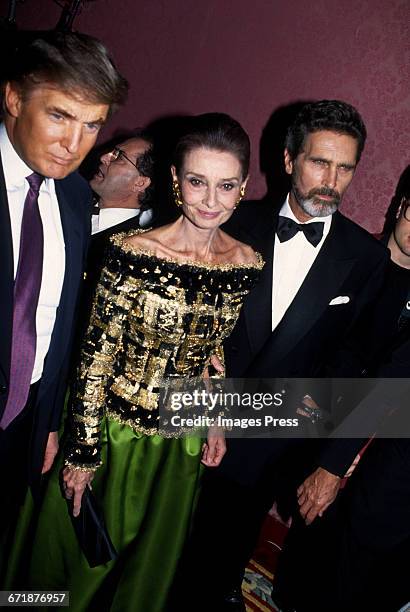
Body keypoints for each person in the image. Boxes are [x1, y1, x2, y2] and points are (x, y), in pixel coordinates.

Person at [6, 113, 264, 612]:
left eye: (226, 185)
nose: (211, 201)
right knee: (75, 568)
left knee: (146, 570)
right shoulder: (131, 252)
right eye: (197, 182)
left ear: (243, 187)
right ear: (174, 180)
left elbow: (213, 350)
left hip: (181, 442)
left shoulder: (245, 263)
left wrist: (217, 422)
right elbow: (95, 356)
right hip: (112, 434)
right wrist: (81, 452)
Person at [176, 100, 389, 611]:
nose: (331, 180)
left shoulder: (364, 257)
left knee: (217, 561)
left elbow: (353, 362)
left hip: (272, 438)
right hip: (189, 417)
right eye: (320, 162)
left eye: (345, 167)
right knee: (159, 543)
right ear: (290, 160)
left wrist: (327, 457)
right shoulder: (228, 221)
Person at [0, 31, 128, 544]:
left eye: (92, 125)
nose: (73, 145)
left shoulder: (76, 197)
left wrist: (48, 422)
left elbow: (57, 319)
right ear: (13, 97)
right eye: (59, 116)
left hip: (24, 423)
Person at [272, 167, 410, 612]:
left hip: (382, 430)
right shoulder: (357, 257)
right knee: (313, 522)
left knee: (355, 542)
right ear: (400, 206)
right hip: (325, 406)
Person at [85, 132, 155, 305]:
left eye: (119, 157)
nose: (104, 157)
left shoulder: (132, 251)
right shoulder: (67, 202)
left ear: (140, 183)